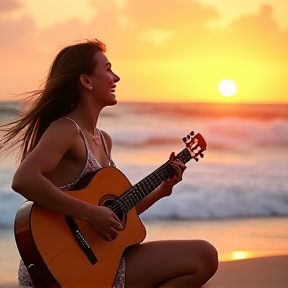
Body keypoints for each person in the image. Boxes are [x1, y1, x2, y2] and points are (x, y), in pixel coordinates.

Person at [0, 39, 218, 288]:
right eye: (108, 69)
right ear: (86, 81)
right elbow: (24, 180)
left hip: (96, 262)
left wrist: (162, 190)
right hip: (57, 267)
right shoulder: (66, 130)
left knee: (202, 266)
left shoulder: (104, 140)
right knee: (204, 255)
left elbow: (115, 215)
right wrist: (90, 213)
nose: (116, 77)